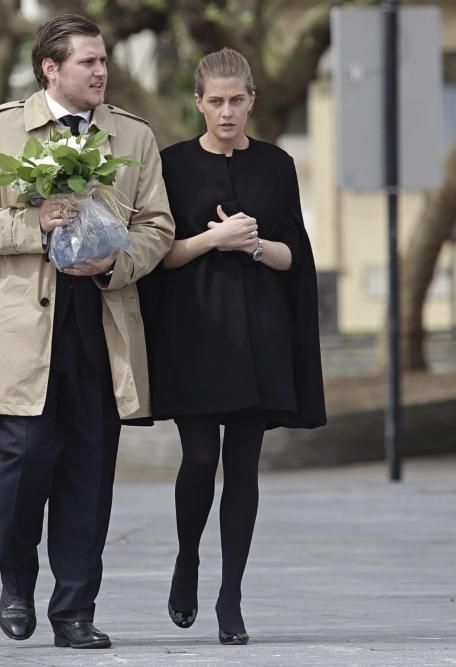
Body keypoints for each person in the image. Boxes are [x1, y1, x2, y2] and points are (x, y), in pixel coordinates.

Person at [0, 14, 175, 649]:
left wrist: (115, 262)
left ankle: (74, 609)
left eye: (104, 61)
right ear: (51, 68)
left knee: (89, 470)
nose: (101, 71)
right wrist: (36, 224)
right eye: (88, 62)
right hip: (23, 328)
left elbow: (158, 226)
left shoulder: (132, 136)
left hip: (100, 321)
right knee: (24, 464)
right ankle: (16, 580)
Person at [140, 48, 326, 645]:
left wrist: (251, 246)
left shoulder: (277, 164)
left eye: (236, 100)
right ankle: (187, 559)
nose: (226, 111)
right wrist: (213, 238)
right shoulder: (170, 164)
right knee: (198, 459)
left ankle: (231, 598)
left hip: (261, 333)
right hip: (194, 330)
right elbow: (158, 254)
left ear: (252, 100)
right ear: (198, 102)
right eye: (215, 101)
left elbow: (293, 254)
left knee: (243, 467)